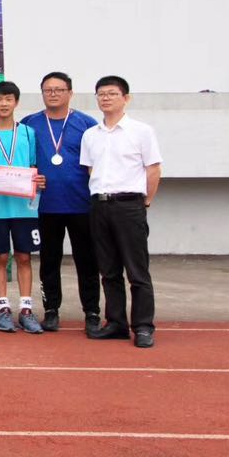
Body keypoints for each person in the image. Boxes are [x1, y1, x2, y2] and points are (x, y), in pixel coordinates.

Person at [80, 75, 162, 349]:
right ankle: (116, 323)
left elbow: (153, 169)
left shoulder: (141, 131)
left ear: (126, 98)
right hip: (99, 206)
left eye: (112, 93)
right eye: (101, 94)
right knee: (109, 270)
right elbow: (90, 170)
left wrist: (145, 203)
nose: (106, 98)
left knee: (137, 271)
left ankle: (143, 326)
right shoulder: (90, 135)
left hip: (130, 206)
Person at [20, 72, 101, 333]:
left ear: (70, 93)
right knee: (49, 261)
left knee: (87, 261)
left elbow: (99, 162)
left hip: (82, 205)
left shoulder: (87, 124)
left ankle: (92, 312)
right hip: (45, 207)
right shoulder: (29, 124)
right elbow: (18, 158)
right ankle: (51, 310)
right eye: (48, 90)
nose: (53, 94)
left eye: (59, 89)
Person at [0, 81, 45, 334]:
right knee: (0, 257)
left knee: (23, 256)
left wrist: (38, 181)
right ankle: (3, 308)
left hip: (24, 208)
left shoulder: (28, 133)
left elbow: (33, 167)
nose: (4, 104)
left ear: (16, 102)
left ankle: (26, 309)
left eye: (9, 99)